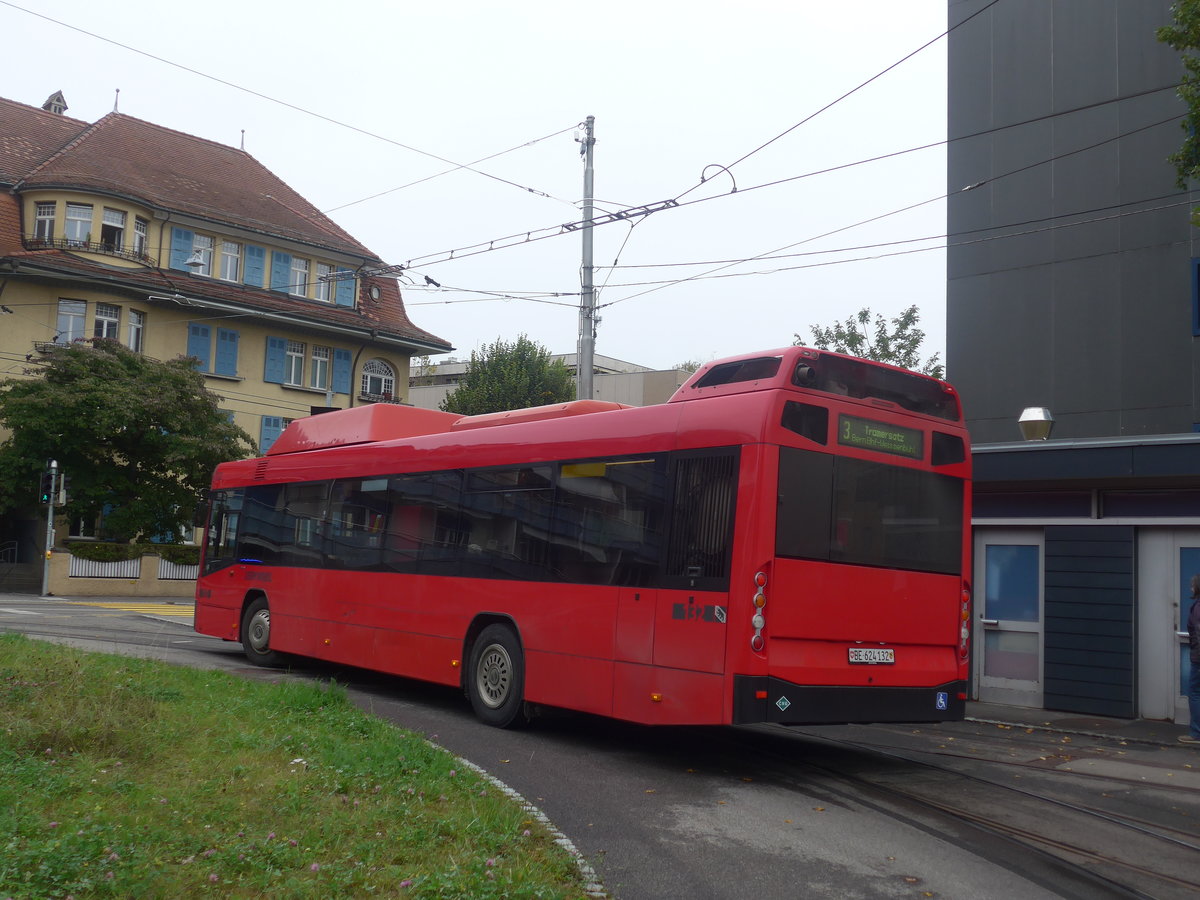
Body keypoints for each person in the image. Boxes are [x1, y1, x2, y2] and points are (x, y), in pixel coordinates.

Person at [1183, 574, 1200, 745]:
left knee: (1195, 693)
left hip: (1199, 659)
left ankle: (1196, 733)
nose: (1190, 588)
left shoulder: (1198, 608)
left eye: (1192, 585)